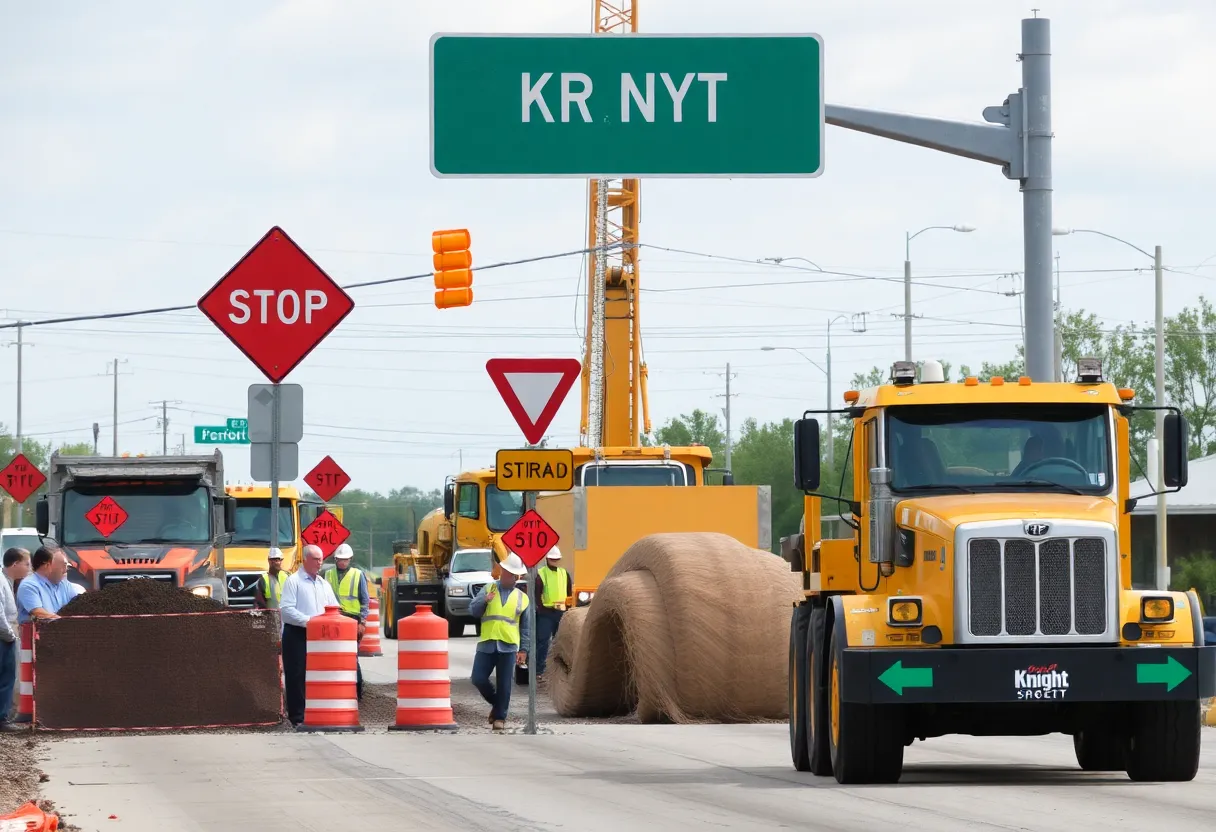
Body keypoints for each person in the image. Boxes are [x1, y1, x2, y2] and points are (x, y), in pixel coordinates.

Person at [468, 553, 531, 731]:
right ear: (502, 571)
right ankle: (498, 706)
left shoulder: (522, 598)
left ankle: (500, 718)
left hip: (509, 646)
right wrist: (484, 600)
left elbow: (525, 628)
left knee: (505, 684)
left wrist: (524, 650)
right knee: (478, 678)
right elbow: (473, 610)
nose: (510, 578)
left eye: (513, 575)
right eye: (507, 573)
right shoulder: (488, 589)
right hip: (487, 643)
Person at [278, 544, 339, 726]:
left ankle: (315, 714)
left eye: (321, 559)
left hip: (319, 636)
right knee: (296, 675)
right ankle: (297, 717)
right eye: (315, 559)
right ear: (305, 560)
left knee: (317, 676)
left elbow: (334, 608)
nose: (320, 563)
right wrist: (310, 622)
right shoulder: (294, 581)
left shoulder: (324, 585)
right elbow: (286, 610)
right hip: (296, 633)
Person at [325, 543, 369, 700]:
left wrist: (362, 622)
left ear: (350, 559)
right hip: (334, 617)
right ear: (336, 559)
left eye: (345, 560)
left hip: (352, 618)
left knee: (351, 656)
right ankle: (337, 690)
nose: (342, 562)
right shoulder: (328, 574)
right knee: (333, 656)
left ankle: (356, 691)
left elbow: (365, 600)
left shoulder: (358, 575)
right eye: (340, 559)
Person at [533, 545, 571, 678]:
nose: (555, 561)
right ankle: (539, 671)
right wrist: (540, 609)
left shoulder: (564, 573)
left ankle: (559, 671)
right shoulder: (541, 574)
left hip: (561, 612)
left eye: (557, 559)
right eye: (552, 559)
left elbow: (569, 594)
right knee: (542, 641)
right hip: (546, 613)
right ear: (547, 559)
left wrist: (568, 610)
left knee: (560, 642)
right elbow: (537, 595)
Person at [0, 547, 26, 732]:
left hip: (5, 636)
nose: (28, 568)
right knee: (5, 678)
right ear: (15, 564)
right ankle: (2, 719)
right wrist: (10, 635)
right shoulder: (1, 581)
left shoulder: (7, 581)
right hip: (3, 638)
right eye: (26, 564)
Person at [15, 546, 75, 624]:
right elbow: (39, 613)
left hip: (63, 632)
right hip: (39, 633)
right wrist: (68, 622)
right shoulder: (29, 586)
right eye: (63, 565)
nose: (66, 569)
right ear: (47, 565)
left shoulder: (64, 584)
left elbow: (77, 604)